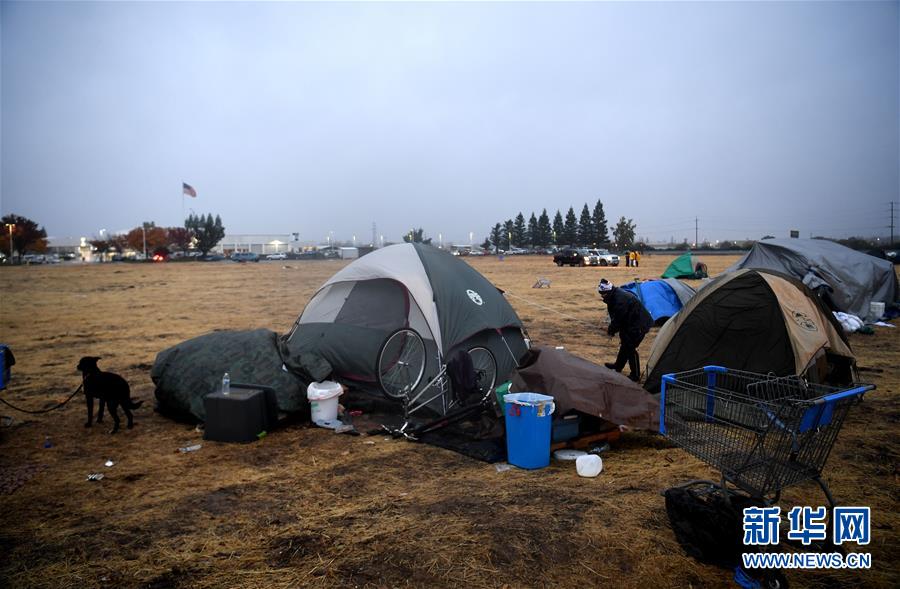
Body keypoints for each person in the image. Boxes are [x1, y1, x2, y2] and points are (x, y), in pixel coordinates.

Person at [598, 278, 653, 382]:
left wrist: (611, 331)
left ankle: (635, 375)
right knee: (625, 344)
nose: (602, 296)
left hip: (639, 325)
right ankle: (618, 366)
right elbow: (617, 318)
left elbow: (618, 318)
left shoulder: (620, 300)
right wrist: (612, 328)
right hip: (629, 323)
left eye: (603, 293)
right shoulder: (614, 295)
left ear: (608, 291)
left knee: (630, 348)